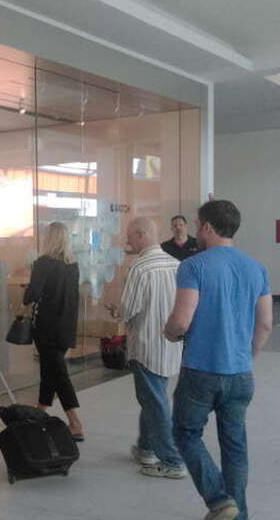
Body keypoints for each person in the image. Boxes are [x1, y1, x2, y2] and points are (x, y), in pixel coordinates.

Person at [164, 200, 273, 520]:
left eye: (198, 224)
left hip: (201, 370)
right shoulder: (257, 268)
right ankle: (237, 515)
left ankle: (219, 499)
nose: (196, 230)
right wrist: (248, 354)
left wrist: (169, 333)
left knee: (184, 433)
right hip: (240, 373)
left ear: (208, 227)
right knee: (235, 443)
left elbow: (181, 322)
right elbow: (265, 323)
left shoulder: (194, 266)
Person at [111, 217, 186, 478]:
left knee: (155, 402)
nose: (127, 241)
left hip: (145, 347)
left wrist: (117, 313)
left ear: (142, 235)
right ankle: (146, 447)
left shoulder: (140, 268)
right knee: (153, 397)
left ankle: (172, 461)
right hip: (171, 346)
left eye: (130, 236)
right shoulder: (176, 265)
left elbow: (129, 310)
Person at [24, 221, 84, 441]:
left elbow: (33, 294)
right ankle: (40, 411)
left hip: (47, 326)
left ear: (49, 238)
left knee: (58, 373)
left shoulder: (42, 263)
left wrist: (27, 291)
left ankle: (75, 423)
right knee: (50, 369)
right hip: (66, 326)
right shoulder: (73, 265)